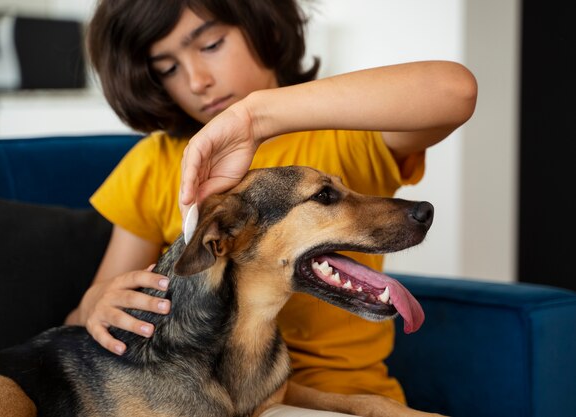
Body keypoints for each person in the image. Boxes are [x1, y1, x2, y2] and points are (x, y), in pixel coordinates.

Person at [65, 0, 477, 412]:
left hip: (345, 393)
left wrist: (256, 116)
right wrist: (94, 303)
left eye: (210, 45)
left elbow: (454, 90)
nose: (196, 81)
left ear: (267, 27)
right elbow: (95, 322)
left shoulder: (341, 136)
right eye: (168, 68)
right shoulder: (155, 163)